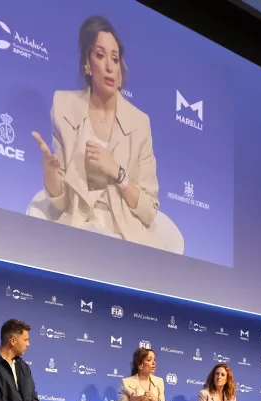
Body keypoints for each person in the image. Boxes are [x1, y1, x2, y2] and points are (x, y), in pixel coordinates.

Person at [29, 15, 166, 248]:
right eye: (100, 56)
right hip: (78, 228)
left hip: (123, 235)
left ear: (121, 70)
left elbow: (148, 209)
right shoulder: (64, 106)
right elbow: (61, 201)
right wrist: (49, 170)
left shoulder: (140, 123)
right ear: (87, 63)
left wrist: (117, 171)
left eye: (115, 58)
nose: (110, 66)